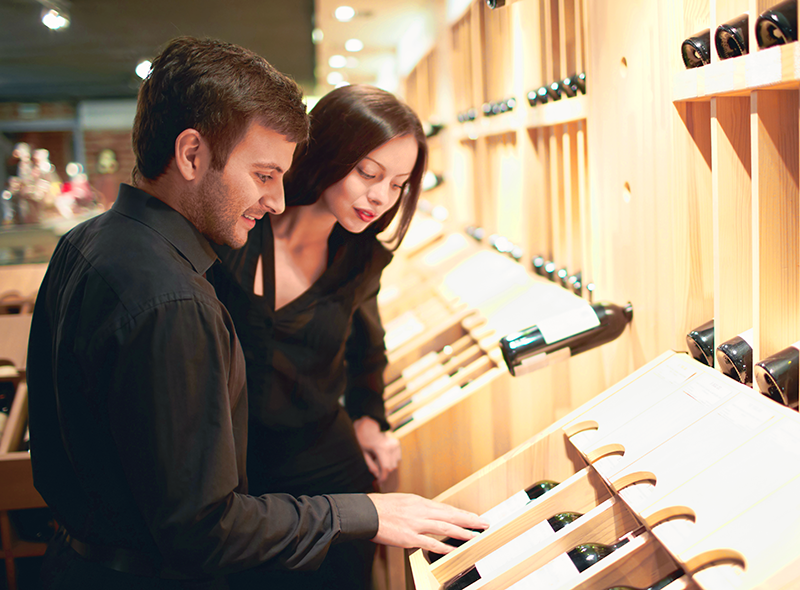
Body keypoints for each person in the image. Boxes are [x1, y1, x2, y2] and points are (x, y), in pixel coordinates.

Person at [26, 37, 485, 590]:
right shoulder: (184, 291)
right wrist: (366, 514)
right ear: (192, 154)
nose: (275, 200)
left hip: (124, 543)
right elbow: (204, 527)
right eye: (265, 175)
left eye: (398, 184)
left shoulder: (84, 243)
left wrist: (367, 423)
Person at [209, 84, 429, 590]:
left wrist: (371, 420)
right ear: (328, 150)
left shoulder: (361, 258)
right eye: (367, 174)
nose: (379, 196)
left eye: (397, 184)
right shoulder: (240, 229)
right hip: (233, 479)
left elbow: (367, 349)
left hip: (326, 469)